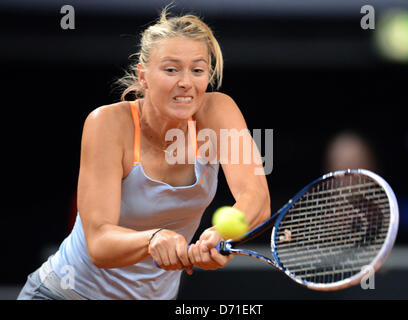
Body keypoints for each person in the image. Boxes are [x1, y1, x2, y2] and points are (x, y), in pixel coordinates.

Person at [17, 7, 270, 300]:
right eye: (171, 69)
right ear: (144, 75)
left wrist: (218, 236)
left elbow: (257, 200)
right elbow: (99, 243)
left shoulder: (218, 112)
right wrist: (154, 238)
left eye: (197, 70)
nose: (186, 82)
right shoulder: (108, 124)